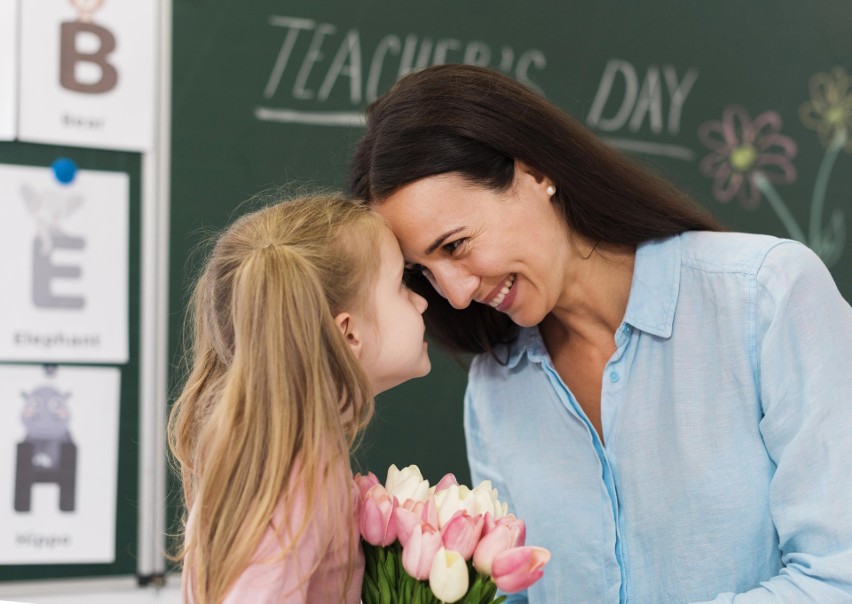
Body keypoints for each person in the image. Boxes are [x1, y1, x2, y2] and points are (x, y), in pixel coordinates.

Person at [348, 64, 852, 603]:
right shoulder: (497, 391)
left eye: (455, 245)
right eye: (423, 272)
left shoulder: (767, 296)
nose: (454, 294)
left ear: (534, 172)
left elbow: (838, 574)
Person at [167, 194, 430, 603]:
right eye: (400, 285)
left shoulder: (282, 456)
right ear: (348, 334)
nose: (421, 300)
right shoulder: (296, 479)